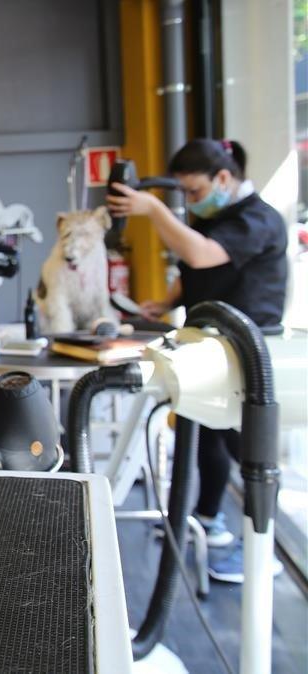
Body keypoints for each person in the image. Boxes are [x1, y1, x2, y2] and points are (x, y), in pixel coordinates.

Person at [107, 138, 288, 584]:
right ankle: (209, 521)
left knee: (246, 450)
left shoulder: (258, 219)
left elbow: (201, 253)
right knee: (205, 435)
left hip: (250, 351)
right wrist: (162, 303)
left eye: (193, 192)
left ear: (223, 178)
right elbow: (198, 272)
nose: (189, 202)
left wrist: (154, 210)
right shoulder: (221, 215)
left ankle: (261, 548)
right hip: (212, 345)